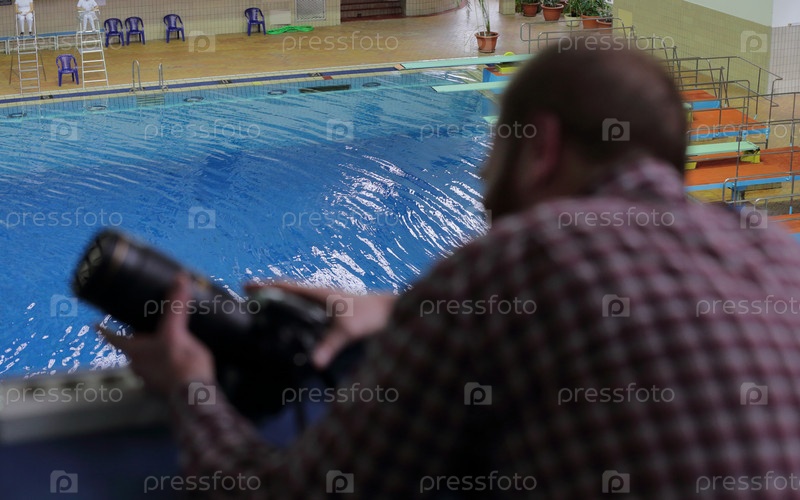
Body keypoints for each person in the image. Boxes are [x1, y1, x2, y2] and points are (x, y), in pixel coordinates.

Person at [103, 39, 800, 498]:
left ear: (541, 148)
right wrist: (401, 308)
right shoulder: (777, 255)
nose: (482, 175)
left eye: (496, 148)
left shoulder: (524, 255)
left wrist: (189, 385)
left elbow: (301, 493)